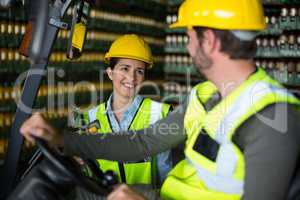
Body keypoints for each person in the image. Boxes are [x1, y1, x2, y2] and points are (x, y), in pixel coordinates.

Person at [20, 0, 300, 199]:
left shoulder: (273, 117)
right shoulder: (204, 96)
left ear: (210, 41)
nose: (189, 47)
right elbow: (141, 142)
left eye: (190, 36)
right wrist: (63, 141)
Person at [73, 34, 173, 187]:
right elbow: (87, 174)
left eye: (139, 71)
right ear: (110, 73)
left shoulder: (158, 114)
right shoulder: (90, 118)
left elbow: (164, 171)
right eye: (125, 68)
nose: (132, 78)